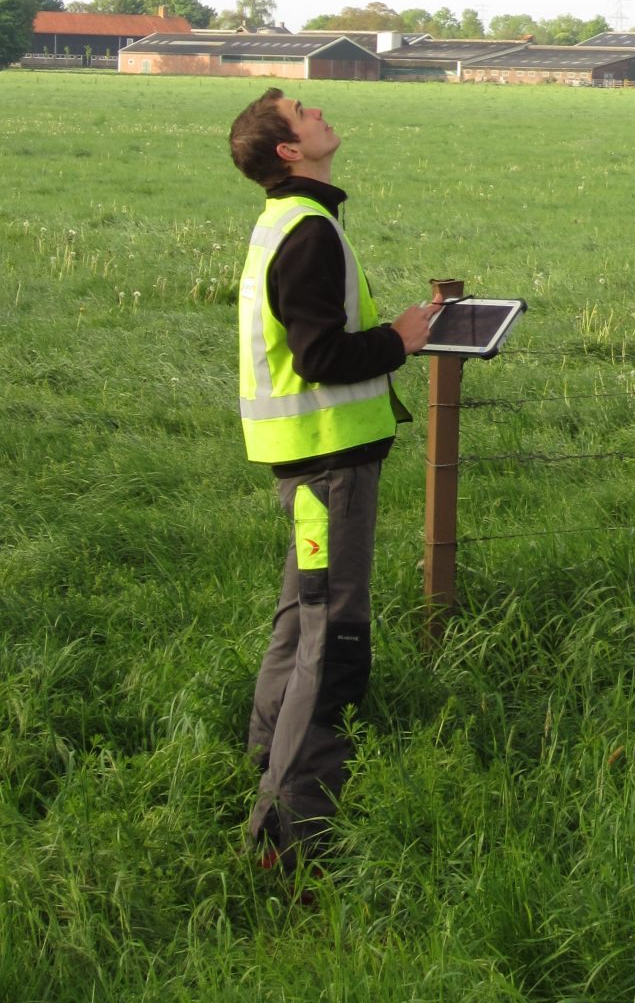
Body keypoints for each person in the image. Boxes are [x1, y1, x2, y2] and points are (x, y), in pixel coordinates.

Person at [228, 87, 438, 869]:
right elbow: (320, 358)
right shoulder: (307, 231)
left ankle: (261, 765)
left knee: (300, 615)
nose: (318, 116)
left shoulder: (288, 220)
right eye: (303, 115)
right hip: (329, 465)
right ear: (290, 151)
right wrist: (399, 339)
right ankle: (290, 836)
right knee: (333, 632)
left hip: (310, 462)